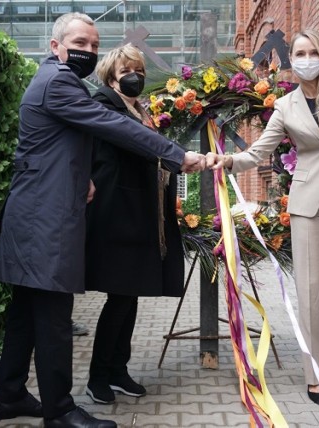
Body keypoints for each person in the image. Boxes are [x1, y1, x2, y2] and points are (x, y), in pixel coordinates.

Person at [0, 13, 204, 428]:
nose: (88, 51)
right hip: (44, 222)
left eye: (93, 44)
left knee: (24, 316)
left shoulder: (52, 81)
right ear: (56, 46)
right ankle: (60, 411)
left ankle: (11, 396)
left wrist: (80, 174)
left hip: (33, 214)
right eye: (79, 43)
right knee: (52, 319)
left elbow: (56, 144)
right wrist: (178, 155)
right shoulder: (59, 82)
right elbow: (109, 123)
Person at [206, 29, 319, 405]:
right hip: (307, 200)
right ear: (293, 60)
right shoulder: (285, 105)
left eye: (311, 52)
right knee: (309, 291)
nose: (305, 58)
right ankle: (314, 371)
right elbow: (258, 152)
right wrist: (229, 160)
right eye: (298, 53)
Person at [84, 44, 185, 404]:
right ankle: (98, 375)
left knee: (130, 294)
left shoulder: (137, 108)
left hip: (141, 209)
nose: (135, 76)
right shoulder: (103, 105)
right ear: (111, 74)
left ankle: (117, 369)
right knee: (120, 294)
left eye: (140, 70)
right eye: (128, 69)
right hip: (118, 210)